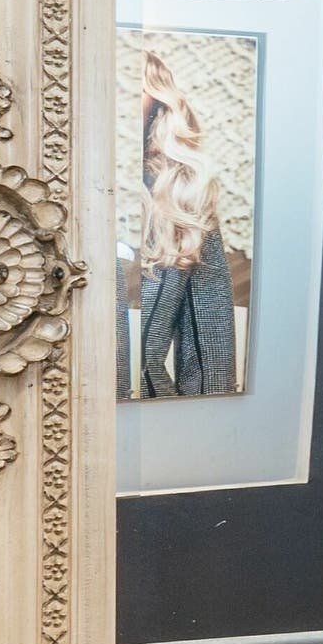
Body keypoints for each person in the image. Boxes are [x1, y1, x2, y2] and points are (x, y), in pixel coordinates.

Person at [127, 49, 239, 399]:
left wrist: (208, 424)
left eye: (136, 84)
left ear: (157, 101)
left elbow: (209, 341)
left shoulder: (179, 196)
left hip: (151, 417)